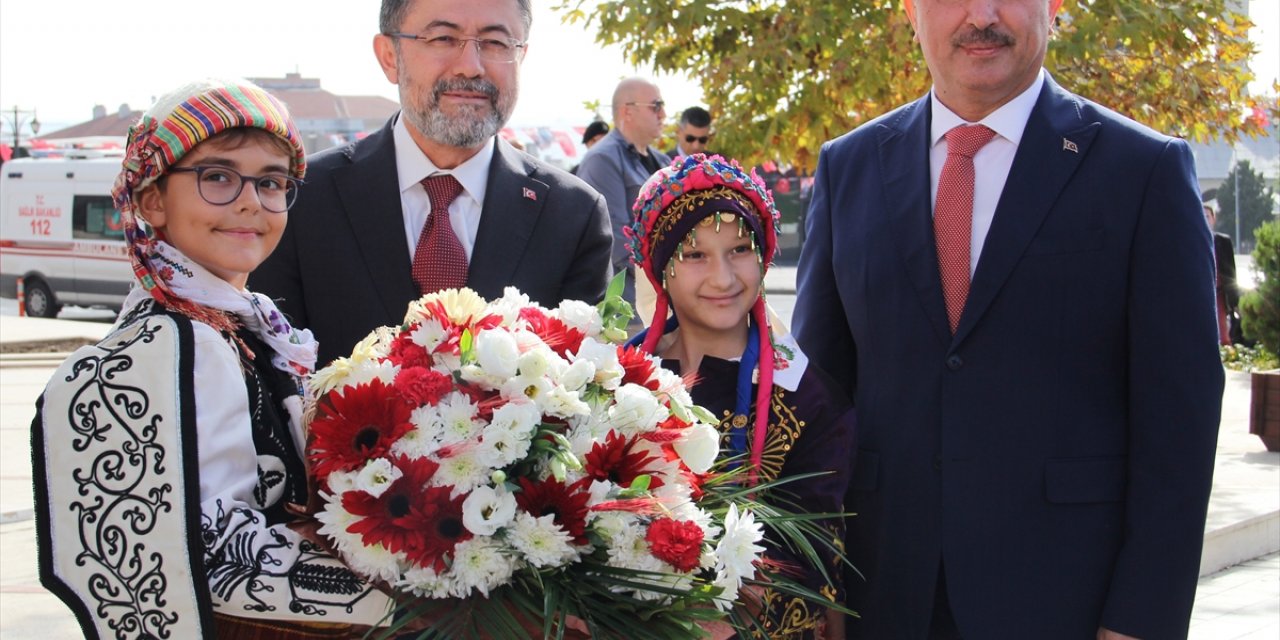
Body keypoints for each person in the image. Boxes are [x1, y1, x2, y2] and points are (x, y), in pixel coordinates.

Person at [792, 1, 1224, 638]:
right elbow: (818, 400)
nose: (981, 16)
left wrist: (1142, 618)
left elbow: (1179, 421)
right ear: (911, 12)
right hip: (879, 596)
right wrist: (812, 582)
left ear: (1052, 9)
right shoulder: (848, 166)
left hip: (1069, 597)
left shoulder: (1143, 170)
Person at [32, 79, 393, 639]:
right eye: (218, 176)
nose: (251, 200)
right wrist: (428, 602)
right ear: (152, 199)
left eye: (272, 182)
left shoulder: (241, 327)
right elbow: (215, 557)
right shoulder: (176, 344)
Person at [250, 0, 613, 366]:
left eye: (495, 43)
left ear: (522, 57)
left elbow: (584, 392)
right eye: (443, 38)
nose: (471, 67)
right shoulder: (301, 200)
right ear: (389, 56)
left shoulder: (573, 215)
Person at [628, 154, 856, 639]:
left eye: (738, 250)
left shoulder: (807, 397)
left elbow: (813, 549)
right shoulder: (620, 379)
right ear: (660, 268)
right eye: (695, 255)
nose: (723, 278)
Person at [576, 77, 672, 312]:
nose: (663, 114)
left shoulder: (663, 161)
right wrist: (674, 274)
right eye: (656, 106)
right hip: (628, 310)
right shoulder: (603, 160)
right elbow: (617, 241)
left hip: (664, 301)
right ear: (626, 111)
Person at [1206, 203, 1241, 345]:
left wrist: (1234, 298)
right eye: (1201, 216)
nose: (1205, 219)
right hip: (1203, 292)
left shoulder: (1222, 241)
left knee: (1223, 331)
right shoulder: (1193, 240)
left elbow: (1231, 270)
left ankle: (1226, 354)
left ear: (1213, 219)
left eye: (1207, 216)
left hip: (1220, 292)